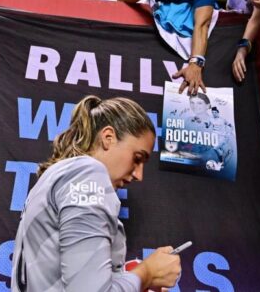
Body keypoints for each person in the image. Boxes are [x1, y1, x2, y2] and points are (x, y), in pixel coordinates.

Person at [11, 95, 181, 292]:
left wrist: (133, 283)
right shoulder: (87, 172)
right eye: (137, 158)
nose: (139, 175)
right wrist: (146, 273)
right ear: (108, 138)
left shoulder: (58, 176)